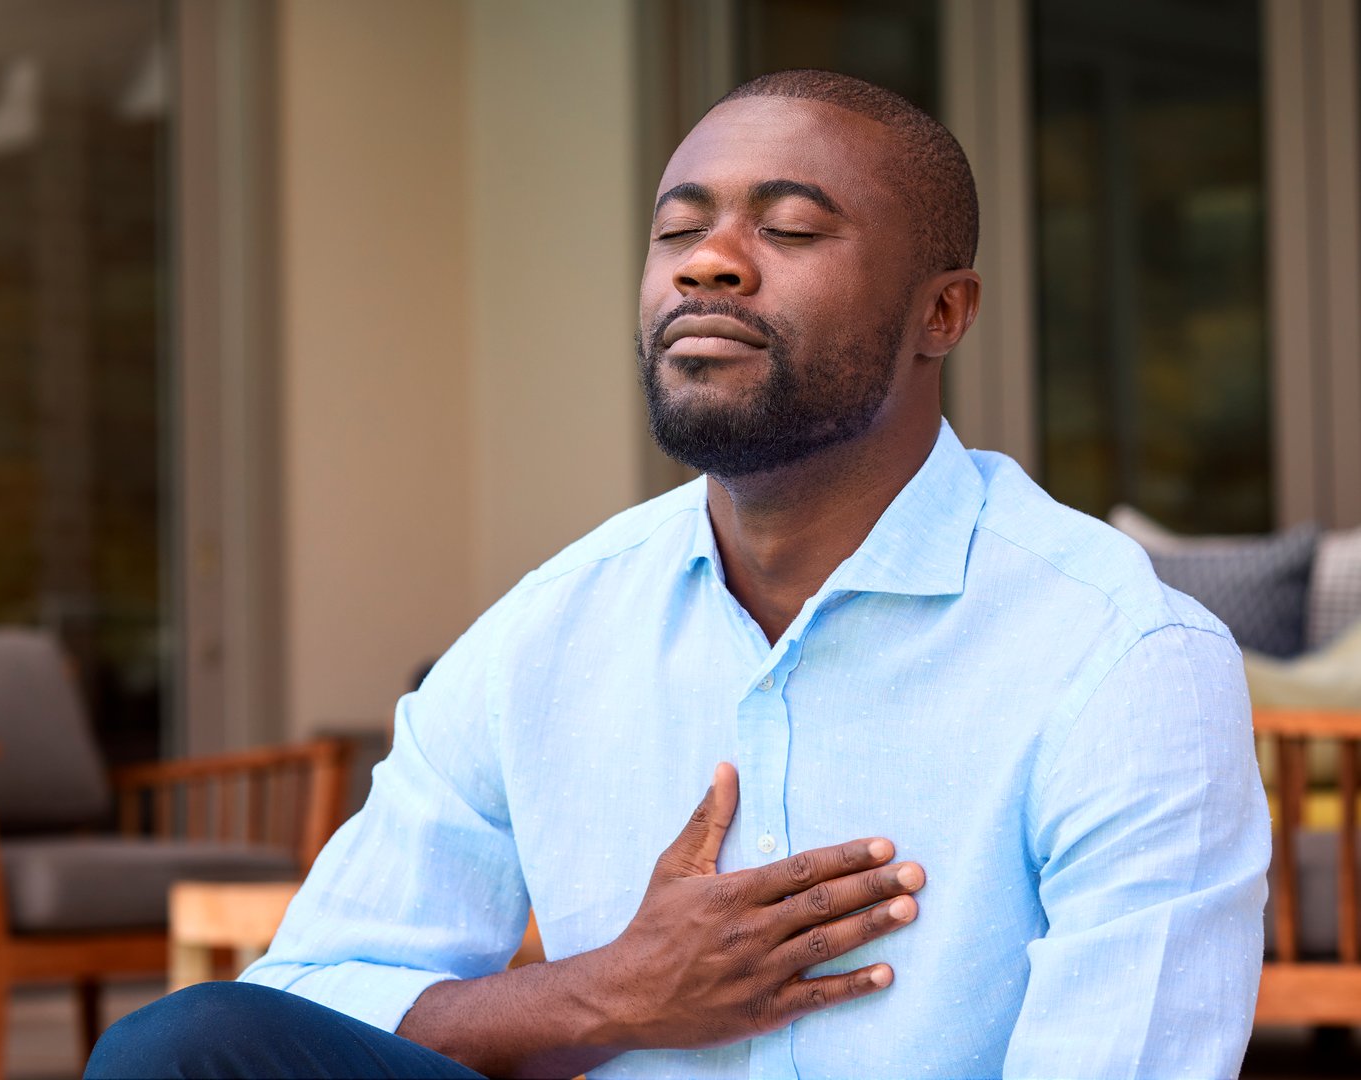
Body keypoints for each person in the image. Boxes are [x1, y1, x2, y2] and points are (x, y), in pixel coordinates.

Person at [88, 69, 1269, 1079]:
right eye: (676, 230)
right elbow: (317, 986)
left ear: (942, 314)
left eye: (790, 229)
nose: (709, 264)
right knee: (193, 1049)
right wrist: (610, 993)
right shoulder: (547, 631)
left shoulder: (1119, 655)